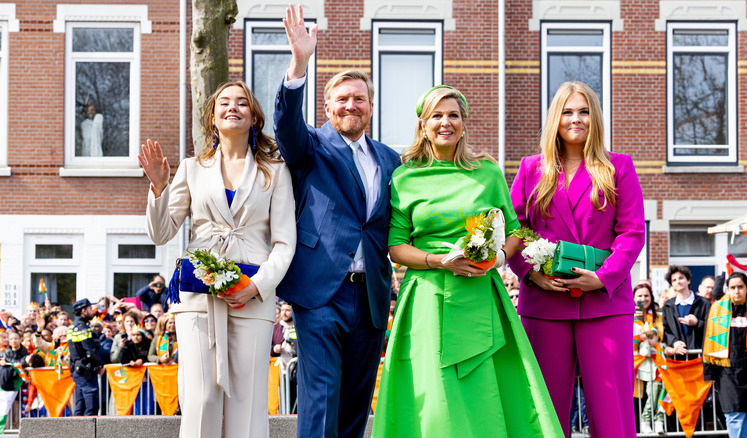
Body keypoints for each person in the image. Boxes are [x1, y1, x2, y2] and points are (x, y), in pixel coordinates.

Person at [372, 85, 561, 437]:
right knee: (434, 393)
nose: (446, 122)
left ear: (464, 123)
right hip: (427, 297)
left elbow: (516, 230)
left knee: (489, 389)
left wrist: (499, 257)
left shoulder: (487, 173)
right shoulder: (403, 178)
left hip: (481, 295)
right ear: (423, 125)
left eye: (454, 116)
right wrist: (441, 261)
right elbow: (396, 247)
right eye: (437, 116)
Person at [141, 79, 296, 438]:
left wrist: (255, 285)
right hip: (197, 299)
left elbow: (285, 243)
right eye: (224, 103)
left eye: (242, 103)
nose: (232, 108)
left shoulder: (276, 172)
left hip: (252, 297)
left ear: (254, 117)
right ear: (212, 117)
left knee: (248, 402)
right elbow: (161, 232)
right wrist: (159, 188)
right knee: (200, 401)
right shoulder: (192, 168)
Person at [274, 6, 401, 438]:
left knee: (355, 404)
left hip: (370, 296)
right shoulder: (310, 147)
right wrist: (299, 64)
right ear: (327, 106)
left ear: (370, 106)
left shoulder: (390, 159)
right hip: (320, 291)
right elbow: (286, 125)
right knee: (322, 397)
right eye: (342, 99)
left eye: (359, 99)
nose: (351, 105)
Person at [507, 81, 645, 437]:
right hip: (544, 301)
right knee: (543, 411)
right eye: (568, 111)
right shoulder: (530, 169)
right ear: (556, 117)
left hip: (605, 301)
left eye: (584, 111)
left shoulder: (619, 167)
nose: (576, 119)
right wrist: (532, 276)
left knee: (611, 411)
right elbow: (515, 230)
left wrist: (602, 277)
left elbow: (631, 233)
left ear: (595, 118)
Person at [703, 272, 747, 438]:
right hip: (727, 373)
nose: (736, 291)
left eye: (740, 287)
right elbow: (708, 340)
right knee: (734, 416)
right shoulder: (717, 309)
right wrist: (709, 372)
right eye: (732, 288)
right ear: (727, 289)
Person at [633, 283, 666, 434]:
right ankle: (638, 426)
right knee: (635, 397)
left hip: (655, 361)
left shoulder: (658, 316)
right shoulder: (627, 315)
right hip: (634, 363)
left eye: (646, 295)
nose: (643, 298)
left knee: (655, 391)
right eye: (639, 295)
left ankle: (653, 420)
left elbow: (662, 337)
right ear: (633, 298)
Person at [662, 265, 710, 359]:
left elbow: (712, 328)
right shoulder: (668, 306)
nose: (678, 281)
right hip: (678, 358)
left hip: (699, 356)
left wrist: (697, 323)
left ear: (688, 280)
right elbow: (665, 330)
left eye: (681, 278)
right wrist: (674, 342)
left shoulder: (704, 303)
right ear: (672, 285)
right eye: (674, 280)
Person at [67, 298, 104, 416]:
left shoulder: (73, 326)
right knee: (91, 408)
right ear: (83, 311)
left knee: (80, 407)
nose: (92, 310)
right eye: (89, 308)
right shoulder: (82, 328)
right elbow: (90, 350)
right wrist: (100, 364)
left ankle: (77, 433)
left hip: (79, 369)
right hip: (86, 371)